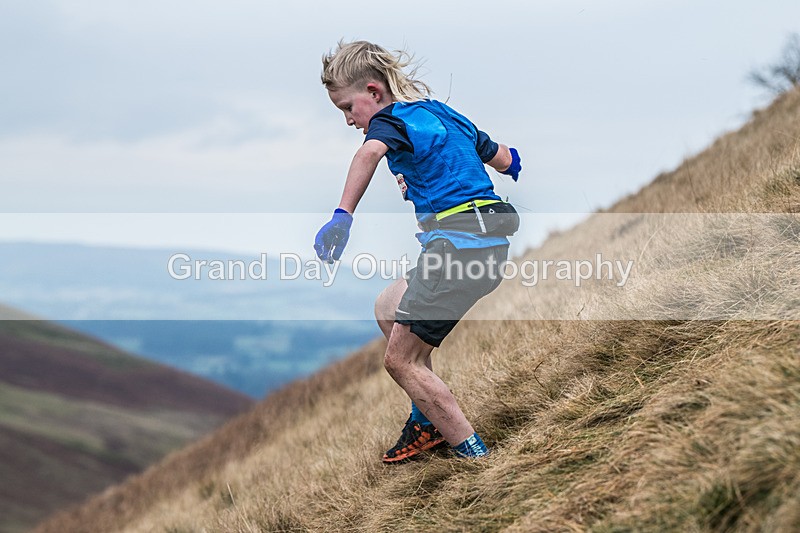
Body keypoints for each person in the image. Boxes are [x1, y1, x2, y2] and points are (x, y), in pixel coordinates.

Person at [314, 40, 521, 463]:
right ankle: (427, 422)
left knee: (400, 362)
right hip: (485, 243)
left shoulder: (387, 123)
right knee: (387, 306)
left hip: (458, 249)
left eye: (348, 108)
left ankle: (476, 459)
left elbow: (369, 152)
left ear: (374, 93)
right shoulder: (442, 114)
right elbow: (500, 157)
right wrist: (512, 164)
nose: (351, 120)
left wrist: (342, 214)